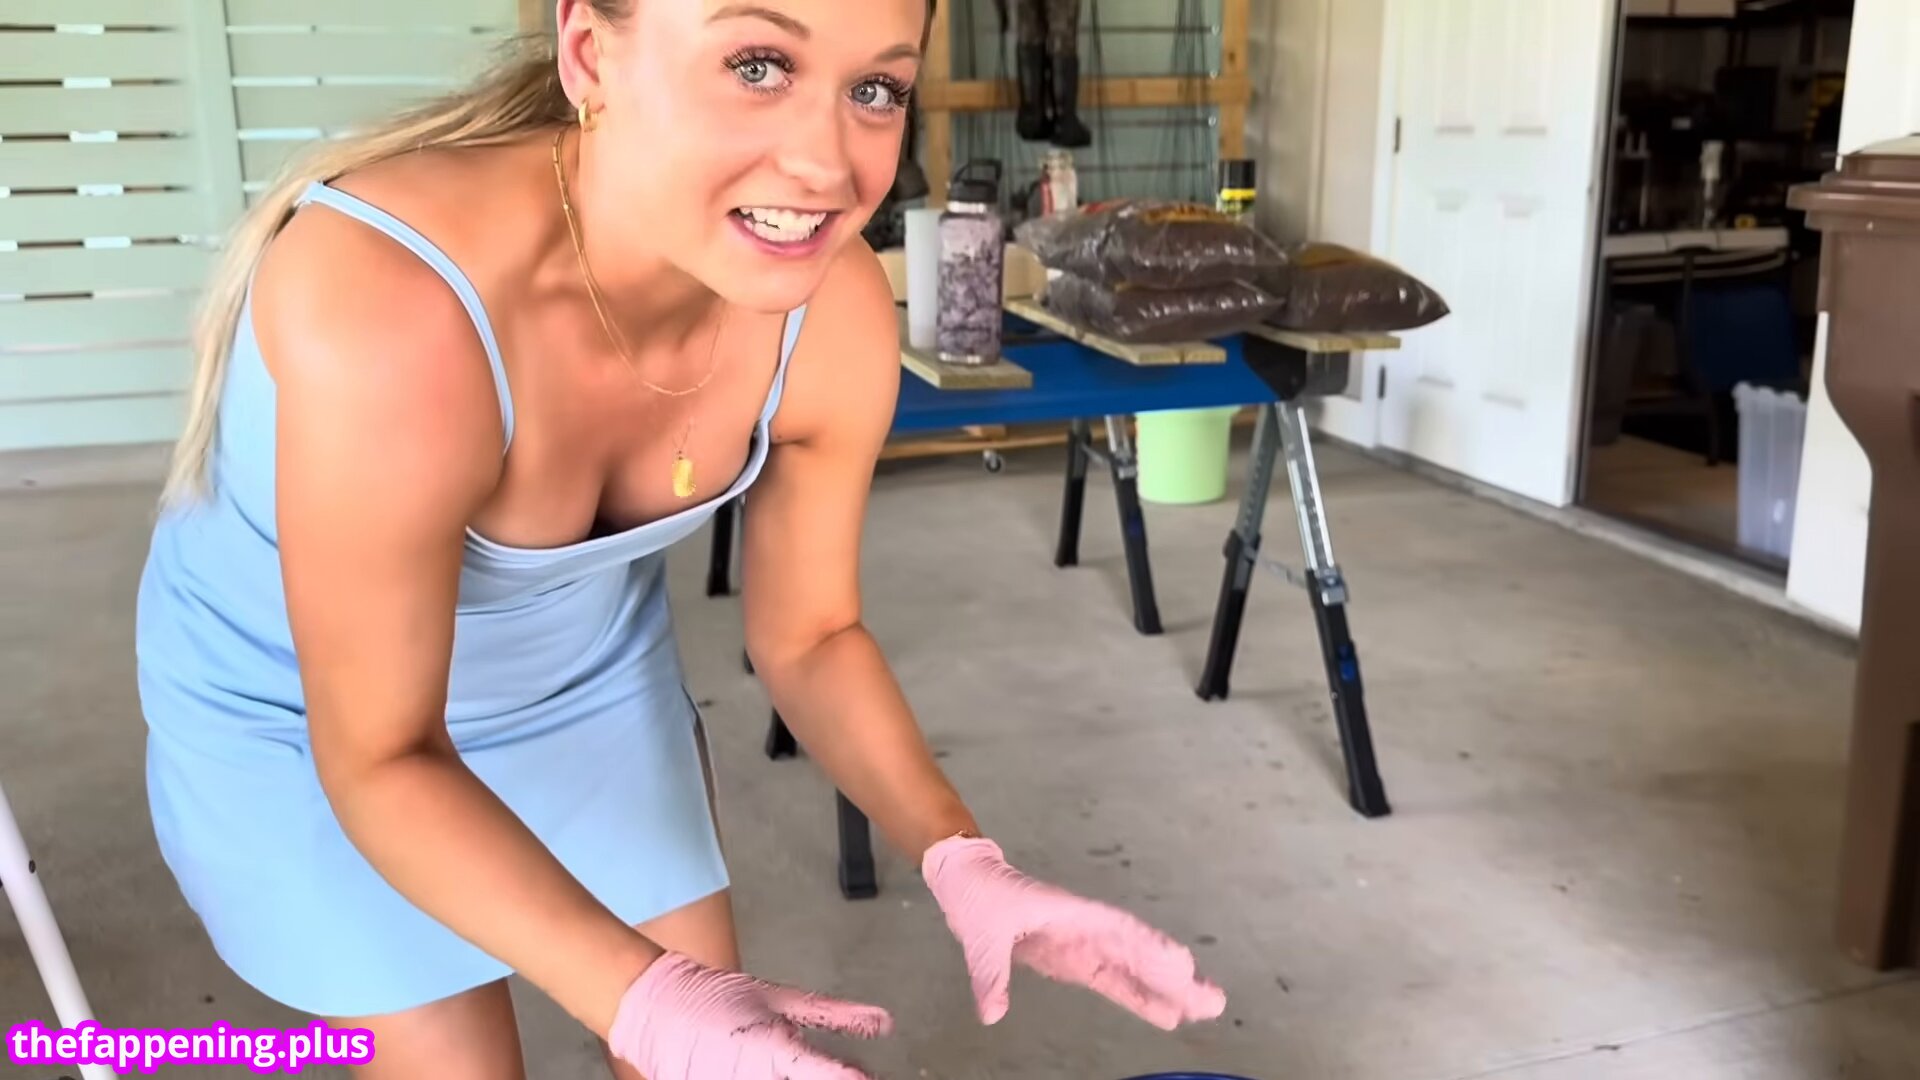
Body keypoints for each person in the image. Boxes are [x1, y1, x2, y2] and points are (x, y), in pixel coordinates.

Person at [133, 1, 1225, 1076]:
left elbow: (812, 635)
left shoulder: (828, 308)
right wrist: (643, 996)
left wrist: (962, 855)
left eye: (875, 88)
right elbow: (380, 754)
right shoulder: (393, 302)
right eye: (756, 65)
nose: (826, 165)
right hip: (313, 723)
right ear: (588, 53)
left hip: (584, 678)